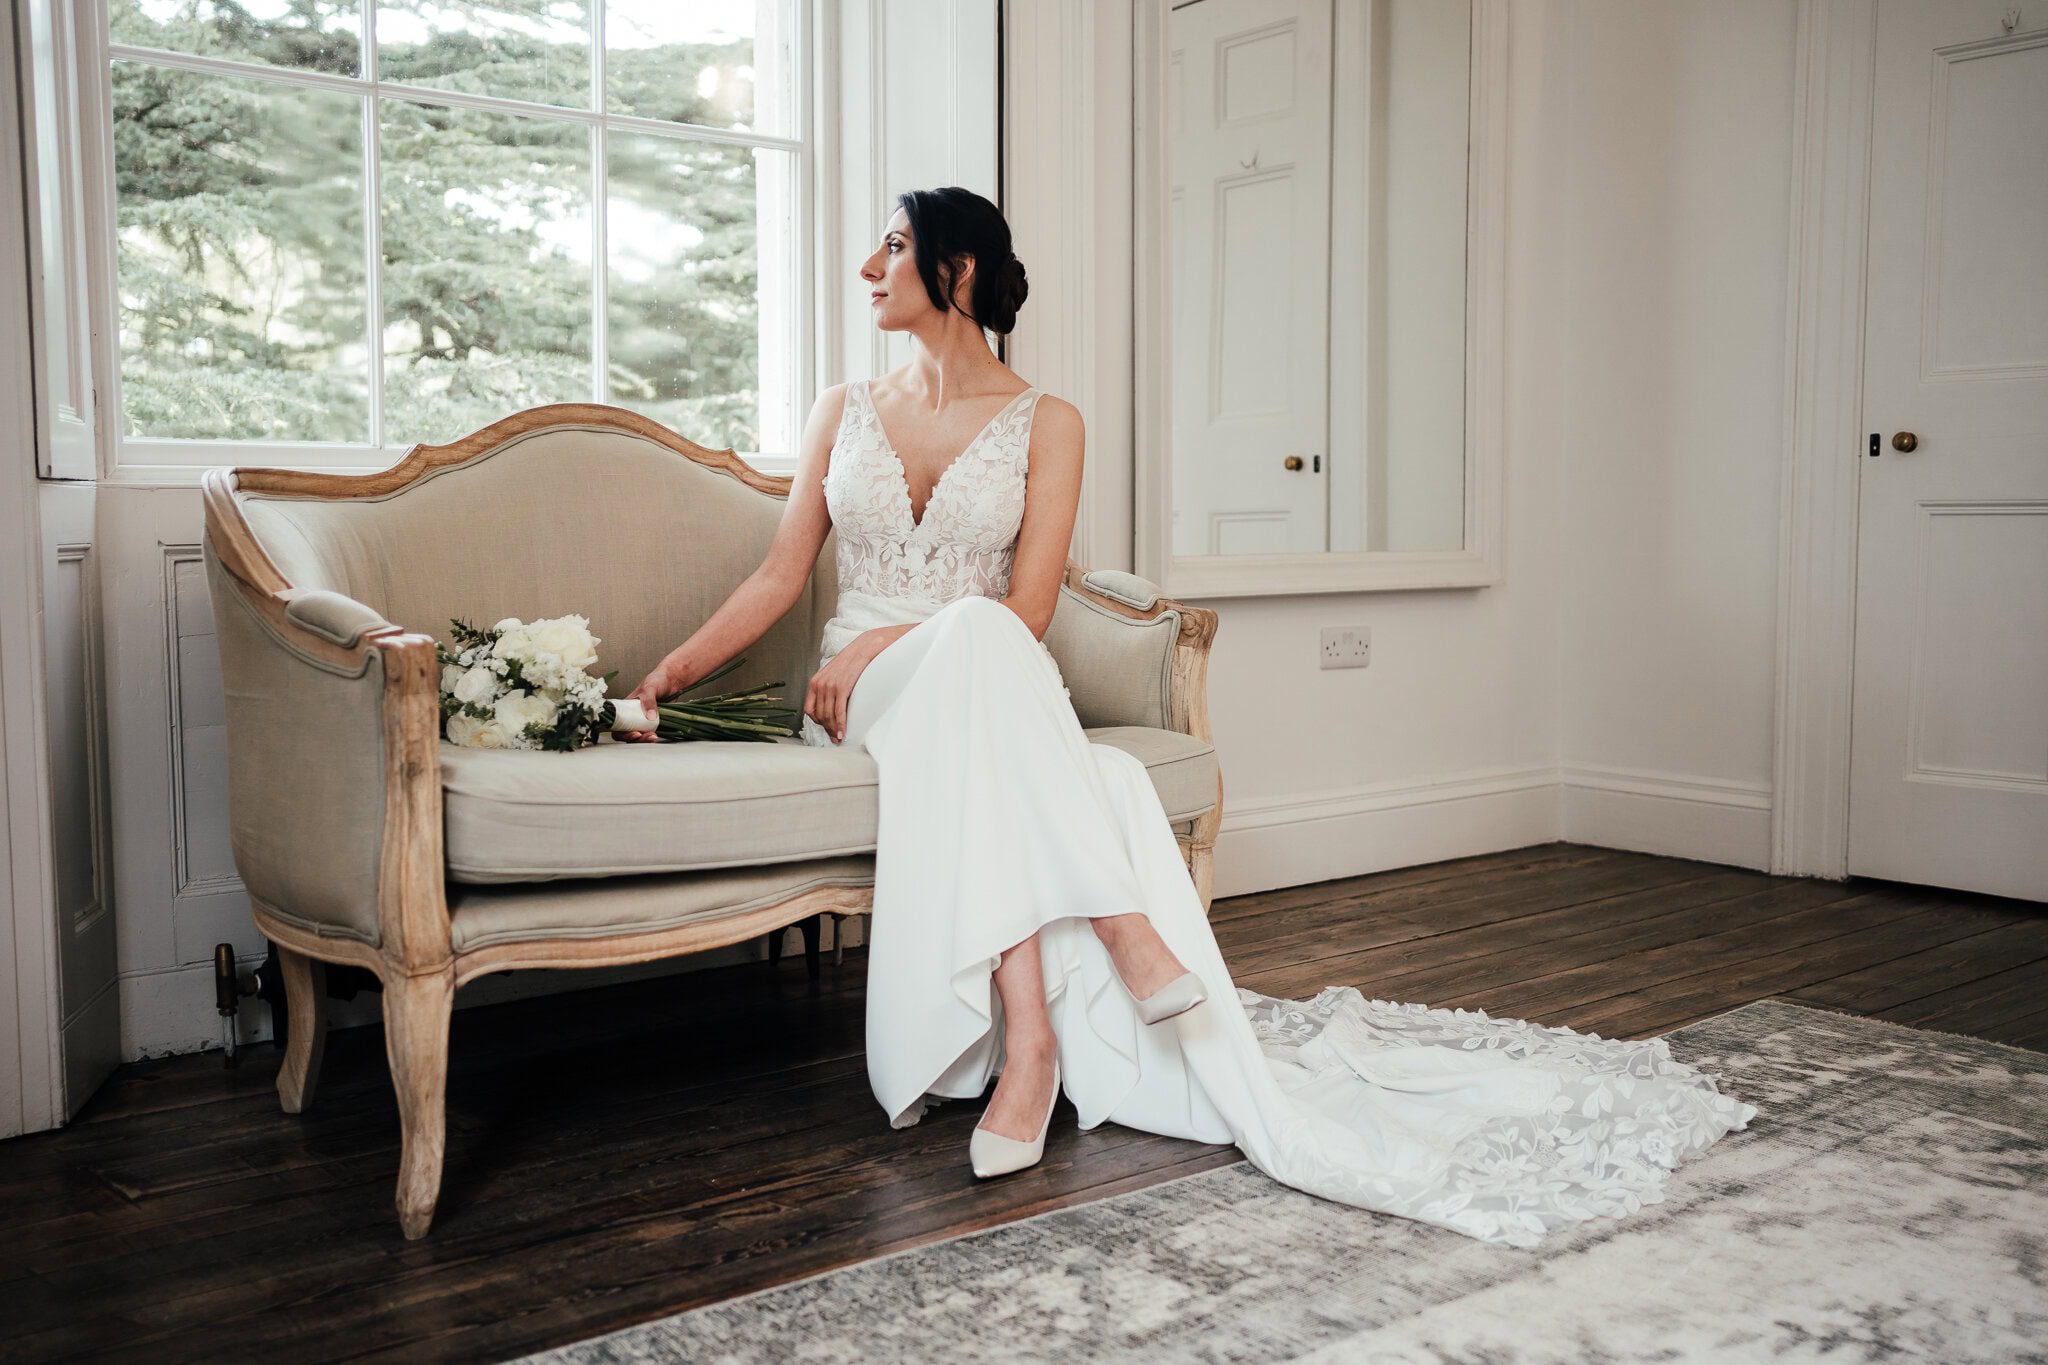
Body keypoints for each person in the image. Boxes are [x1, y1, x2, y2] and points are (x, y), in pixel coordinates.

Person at [622, 186, 1757, 1248]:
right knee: (987, 676)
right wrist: (664, 681)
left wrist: (904, 632)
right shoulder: (842, 408)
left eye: (895, 245)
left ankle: (1031, 1045)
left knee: (976, 647)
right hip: (857, 692)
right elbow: (780, 580)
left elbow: (1023, 609)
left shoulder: (1047, 421)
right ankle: (1119, 929)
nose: (869, 266)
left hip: (978, 670)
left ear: (956, 269)